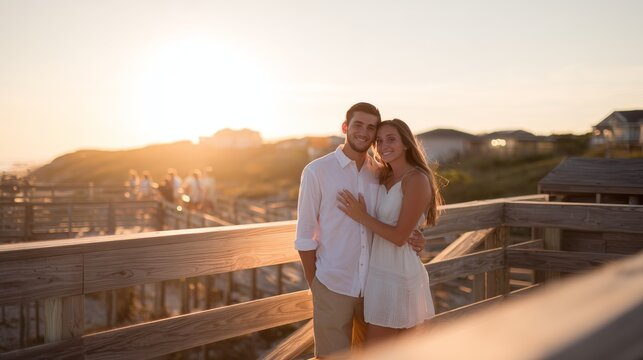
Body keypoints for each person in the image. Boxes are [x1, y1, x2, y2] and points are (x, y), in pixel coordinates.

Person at [295, 103, 425, 358]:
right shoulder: (316, 171)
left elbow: (395, 219)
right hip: (333, 284)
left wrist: (415, 236)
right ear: (345, 127)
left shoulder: (380, 173)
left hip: (376, 285)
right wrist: (316, 285)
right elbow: (304, 236)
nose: (363, 132)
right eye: (357, 125)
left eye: (371, 127)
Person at [337, 118, 442, 343]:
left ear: (406, 143)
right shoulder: (383, 176)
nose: (384, 146)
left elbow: (399, 236)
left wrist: (361, 216)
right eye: (380, 141)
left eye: (391, 139)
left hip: (399, 274)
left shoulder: (416, 179)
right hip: (378, 274)